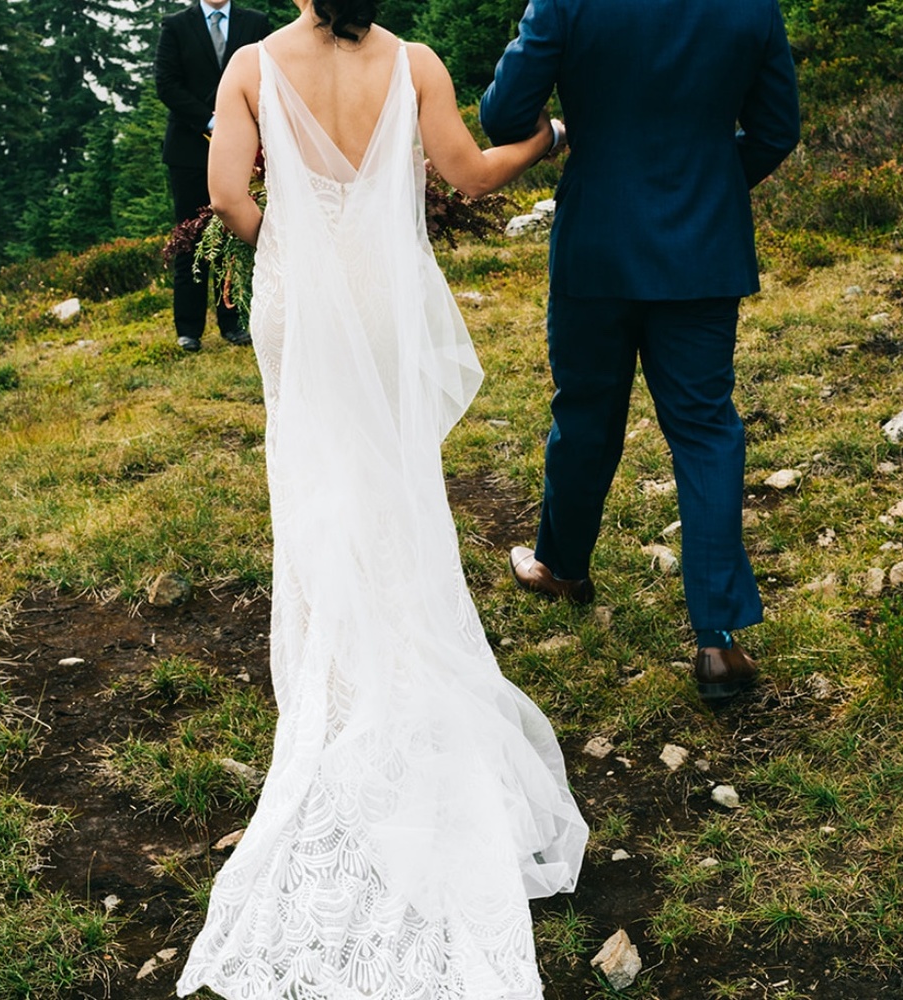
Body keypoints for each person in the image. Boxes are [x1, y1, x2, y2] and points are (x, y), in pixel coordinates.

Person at [176, 2, 587, 997]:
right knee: (395, 478)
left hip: (300, 297)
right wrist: (549, 137)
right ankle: (396, 653)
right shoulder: (415, 61)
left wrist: (296, 242)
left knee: (316, 477)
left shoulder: (252, 66)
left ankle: (337, 674)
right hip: (386, 291)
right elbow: (471, 171)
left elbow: (226, 193)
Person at [479, 0, 801, 701]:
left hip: (598, 239)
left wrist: (570, 138)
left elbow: (503, 116)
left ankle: (562, 568)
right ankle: (718, 643)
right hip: (703, 251)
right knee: (707, 429)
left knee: (587, 411)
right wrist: (707, 188)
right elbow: (778, 129)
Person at [155, 0, 271, 352]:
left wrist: (241, 122)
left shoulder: (255, 23)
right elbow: (167, 84)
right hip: (189, 150)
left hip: (246, 147)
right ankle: (188, 329)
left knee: (233, 234)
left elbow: (270, 75)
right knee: (189, 237)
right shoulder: (175, 25)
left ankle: (233, 323)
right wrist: (213, 120)